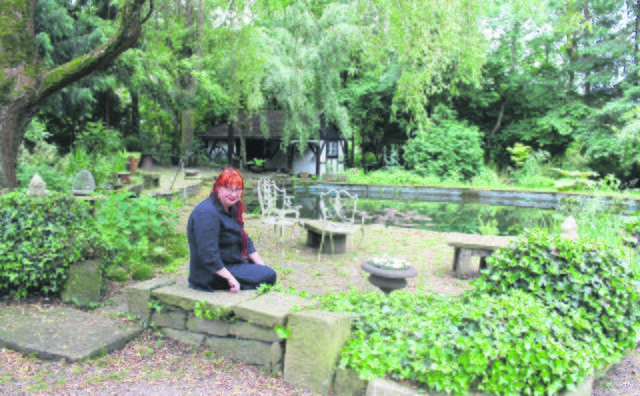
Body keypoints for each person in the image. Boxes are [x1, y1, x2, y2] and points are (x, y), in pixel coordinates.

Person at [187, 168, 277, 292]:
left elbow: (245, 240)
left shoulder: (230, 208)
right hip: (211, 274)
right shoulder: (207, 213)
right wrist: (230, 278)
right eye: (229, 189)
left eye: (237, 189)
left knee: (264, 270)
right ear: (218, 188)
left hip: (231, 262)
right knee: (269, 275)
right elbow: (208, 255)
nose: (234, 194)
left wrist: (260, 265)